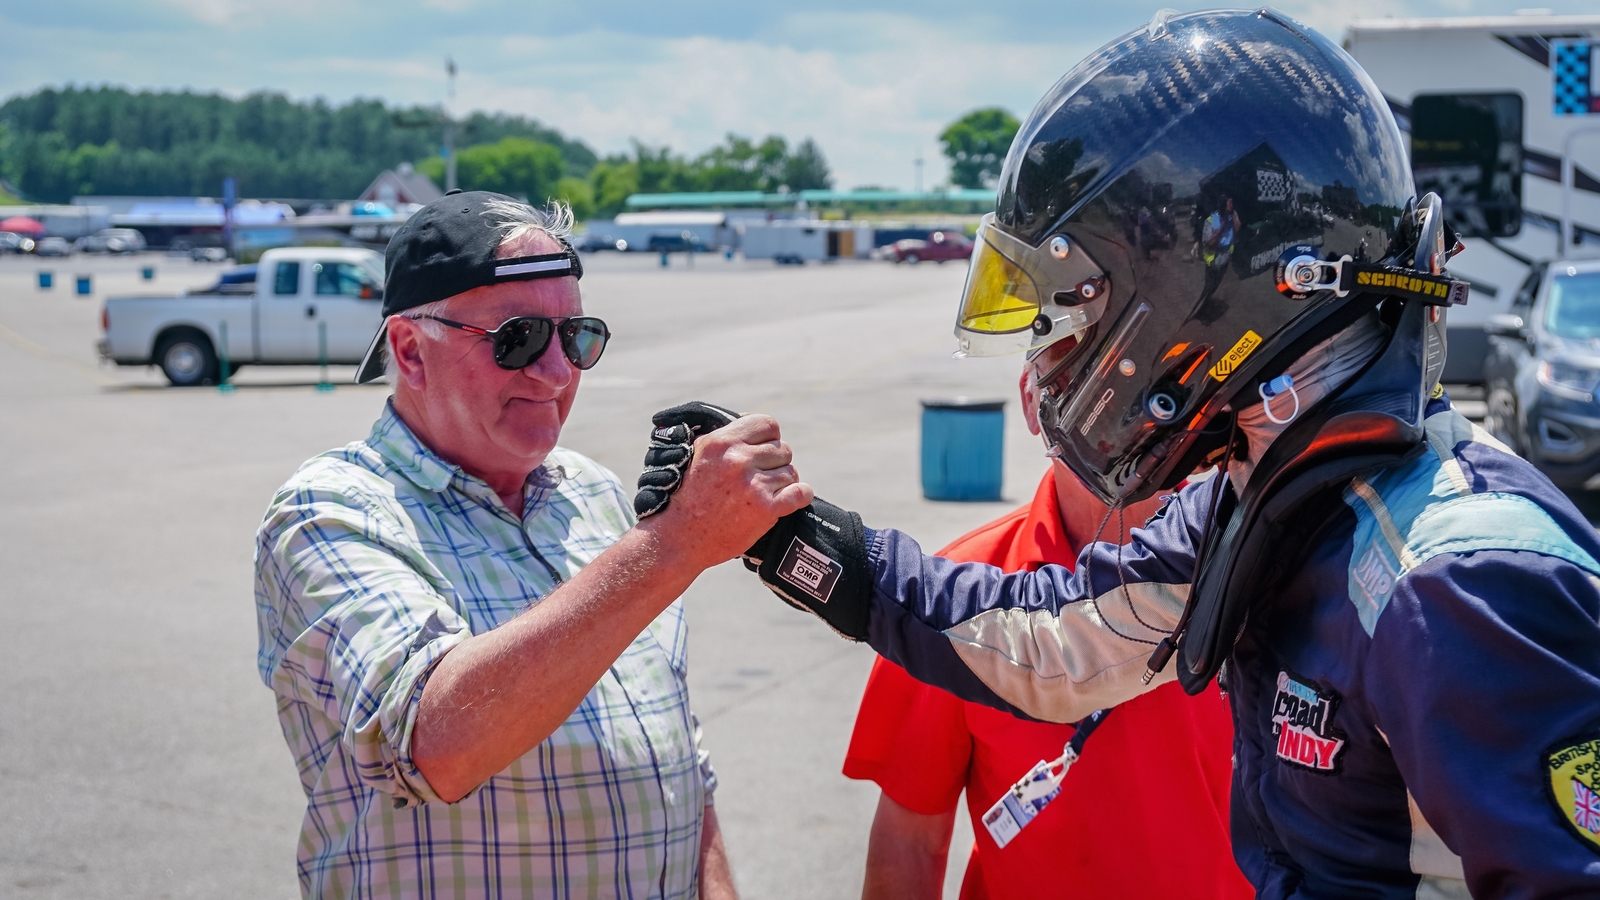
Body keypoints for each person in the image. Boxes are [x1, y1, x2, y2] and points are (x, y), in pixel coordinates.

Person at [664, 11, 1600, 896]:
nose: (1059, 351)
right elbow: (1054, 641)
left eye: (1076, 303)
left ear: (1198, 283)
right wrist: (794, 544)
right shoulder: (1269, 496)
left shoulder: (1458, 579)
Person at [254, 190, 810, 899]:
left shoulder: (593, 495)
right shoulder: (331, 510)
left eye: (576, 337)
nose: (557, 373)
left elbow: (677, 766)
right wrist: (673, 544)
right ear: (410, 352)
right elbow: (434, 747)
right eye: (517, 339)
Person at [841, 336, 1249, 900]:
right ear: (1031, 404)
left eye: (1132, 379)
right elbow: (911, 839)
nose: (1105, 411)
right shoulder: (954, 594)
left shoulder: (1253, 567)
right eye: (1073, 379)